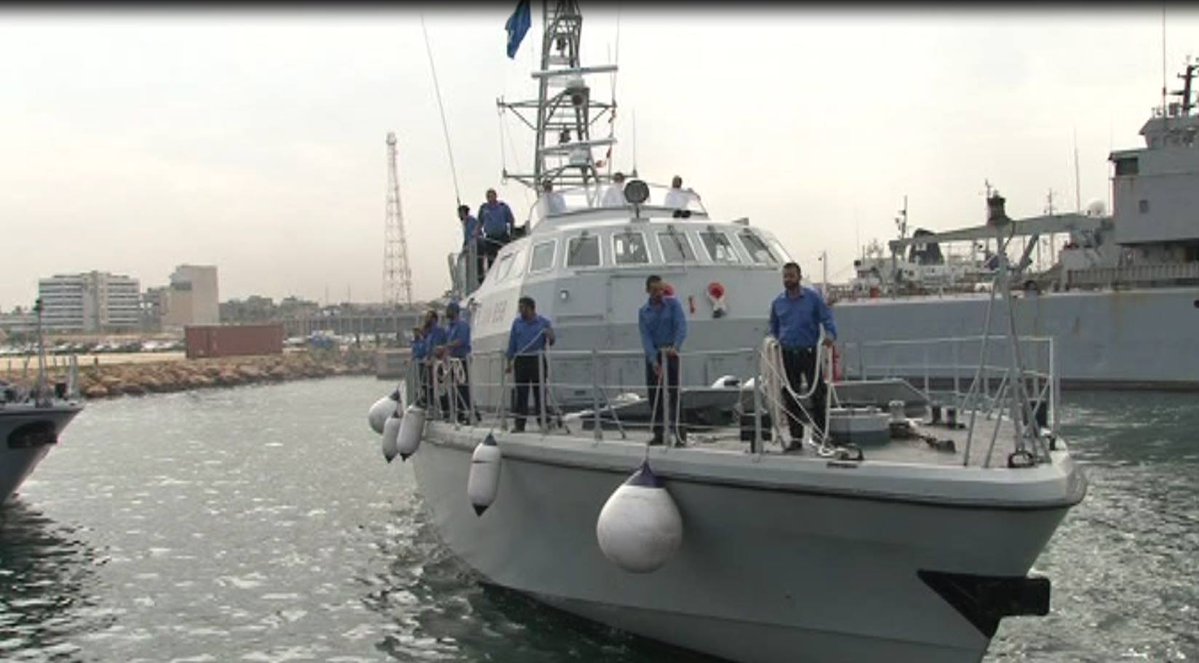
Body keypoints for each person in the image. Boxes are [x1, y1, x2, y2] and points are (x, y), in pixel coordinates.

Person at [768, 261, 837, 449]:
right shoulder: (778, 303)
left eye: (791, 276)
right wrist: (774, 340)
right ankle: (796, 438)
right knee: (791, 396)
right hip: (787, 354)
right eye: (785, 276)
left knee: (817, 393)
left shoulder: (813, 299)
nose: (787, 279)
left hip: (809, 352)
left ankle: (821, 434)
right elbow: (773, 327)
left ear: (799, 277)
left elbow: (827, 318)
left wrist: (830, 335)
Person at [638, 274, 688, 446]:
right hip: (655, 353)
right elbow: (646, 337)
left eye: (660, 289)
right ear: (647, 291)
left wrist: (676, 346)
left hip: (671, 353)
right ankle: (659, 433)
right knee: (655, 395)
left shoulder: (673, 305)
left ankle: (680, 434)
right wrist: (653, 361)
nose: (659, 293)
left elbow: (681, 325)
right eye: (654, 290)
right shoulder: (644, 312)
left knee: (675, 394)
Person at [505, 296, 556, 433]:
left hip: (537, 360)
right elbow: (512, 343)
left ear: (530, 308)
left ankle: (543, 421)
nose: (520, 311)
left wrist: (549, 334)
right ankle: (519, 424)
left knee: (540, 392)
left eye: (522, 308)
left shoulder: (543, 323)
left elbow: (551, 341)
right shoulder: (517, 323)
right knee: (521, 393)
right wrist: (509, 362)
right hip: (521, 360)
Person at [436, 301, 473, 423]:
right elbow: (448, 344)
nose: (447, 312)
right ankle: (456, 412)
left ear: (454, 311)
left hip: (460, 360)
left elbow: (461, 341)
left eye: (449, 310)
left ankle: (468, 412)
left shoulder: (462, 325)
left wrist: (446, 347)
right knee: (452, 387)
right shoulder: (449, 328)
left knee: (462, 387)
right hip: (451, 361)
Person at [478, 188, 515, 272]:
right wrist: (477, 235)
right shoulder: (483, 208)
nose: (490, 198)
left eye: (492, 196)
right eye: (488, 196)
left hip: (502, 235)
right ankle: (492, 274)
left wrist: (512, 233)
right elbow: (480, 222)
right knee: (491, 260)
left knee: (507, 256)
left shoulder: (503, 207)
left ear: (495, 196)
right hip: (490, 238)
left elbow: (511, 220)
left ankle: (509, 271)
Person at [419, 310, 446, 410]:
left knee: (437, 386)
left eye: (429, 317)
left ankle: (439, 407)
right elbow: (427, 348)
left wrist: (432, 358)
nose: (427, 319)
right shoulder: (429, 333)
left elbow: (438, 347)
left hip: (437, 364)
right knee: (427, 385)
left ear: (434, 319)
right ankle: (429, 404)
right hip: (429, 364)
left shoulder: (438, 331)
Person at [458, 204, 485, 287]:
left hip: (478, 246)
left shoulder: (472, 220)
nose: (459, 215)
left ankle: (481, 282)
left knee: (479, 266)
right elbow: (467, 238)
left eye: (460, 213)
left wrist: (469, 244)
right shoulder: (465, 223)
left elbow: (475, 233)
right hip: (471, 248)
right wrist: (464, 247)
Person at [409, 326, 429, 406]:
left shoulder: (423, 342)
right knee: (418, 381)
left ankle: (424, 396)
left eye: (416, 332)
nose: (415, 334)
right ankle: (418, 396)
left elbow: (422, 352)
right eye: (414, 332)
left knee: (423, 380)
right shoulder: (414, 342)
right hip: (416, 365)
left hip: (422, 364)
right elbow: (414, 352)